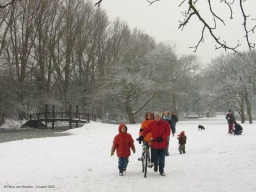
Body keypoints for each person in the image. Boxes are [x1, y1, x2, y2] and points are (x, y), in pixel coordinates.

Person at [137, 112, 171, 176]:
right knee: (155, 158)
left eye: (158, 117)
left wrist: (162, 137)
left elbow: (168, 132)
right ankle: (156, 165)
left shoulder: (165, 123)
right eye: (155, 117)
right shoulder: (152, 124)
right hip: (154, 144)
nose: (156, 118)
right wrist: (141, 136)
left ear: (160, 117)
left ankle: (161, 171)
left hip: (162, 144)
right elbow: (146, 130)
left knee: (162, 158)